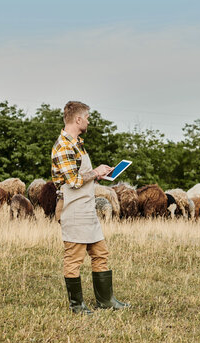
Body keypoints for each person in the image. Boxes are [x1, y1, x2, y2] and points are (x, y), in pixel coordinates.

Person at [51, 101, 130, 314]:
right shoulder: (63, 146)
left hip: (87, 208)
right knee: (74, 258)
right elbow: (73, 181)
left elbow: (83, 179)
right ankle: (77, 305)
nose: (88, 121)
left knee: (100, 253)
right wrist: (95, 172)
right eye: (86, 117)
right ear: (78, 119)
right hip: (73, 210)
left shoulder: (78, 144)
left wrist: (99, 176)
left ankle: (106, 300)